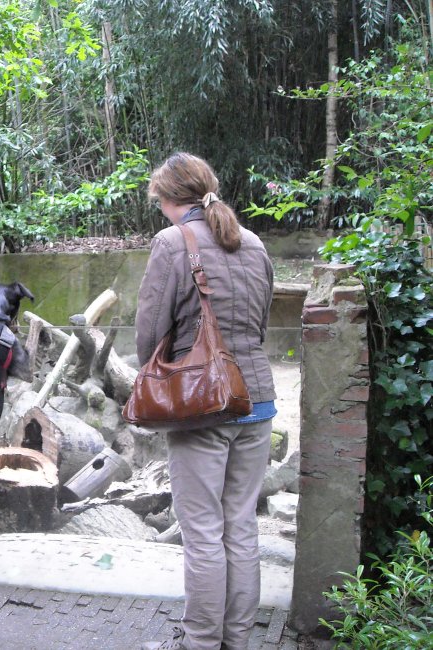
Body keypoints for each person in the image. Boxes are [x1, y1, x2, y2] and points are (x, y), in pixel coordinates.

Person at [136, 153, 276, 650]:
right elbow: (258, 327)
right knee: (240, 525)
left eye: (159, 202)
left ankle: (200, 642)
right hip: (257, 402)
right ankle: (238, 641)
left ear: (171, 200)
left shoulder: (172, 242)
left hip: (202, 407)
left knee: (200, 531)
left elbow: (150, 335)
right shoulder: (255, 243)